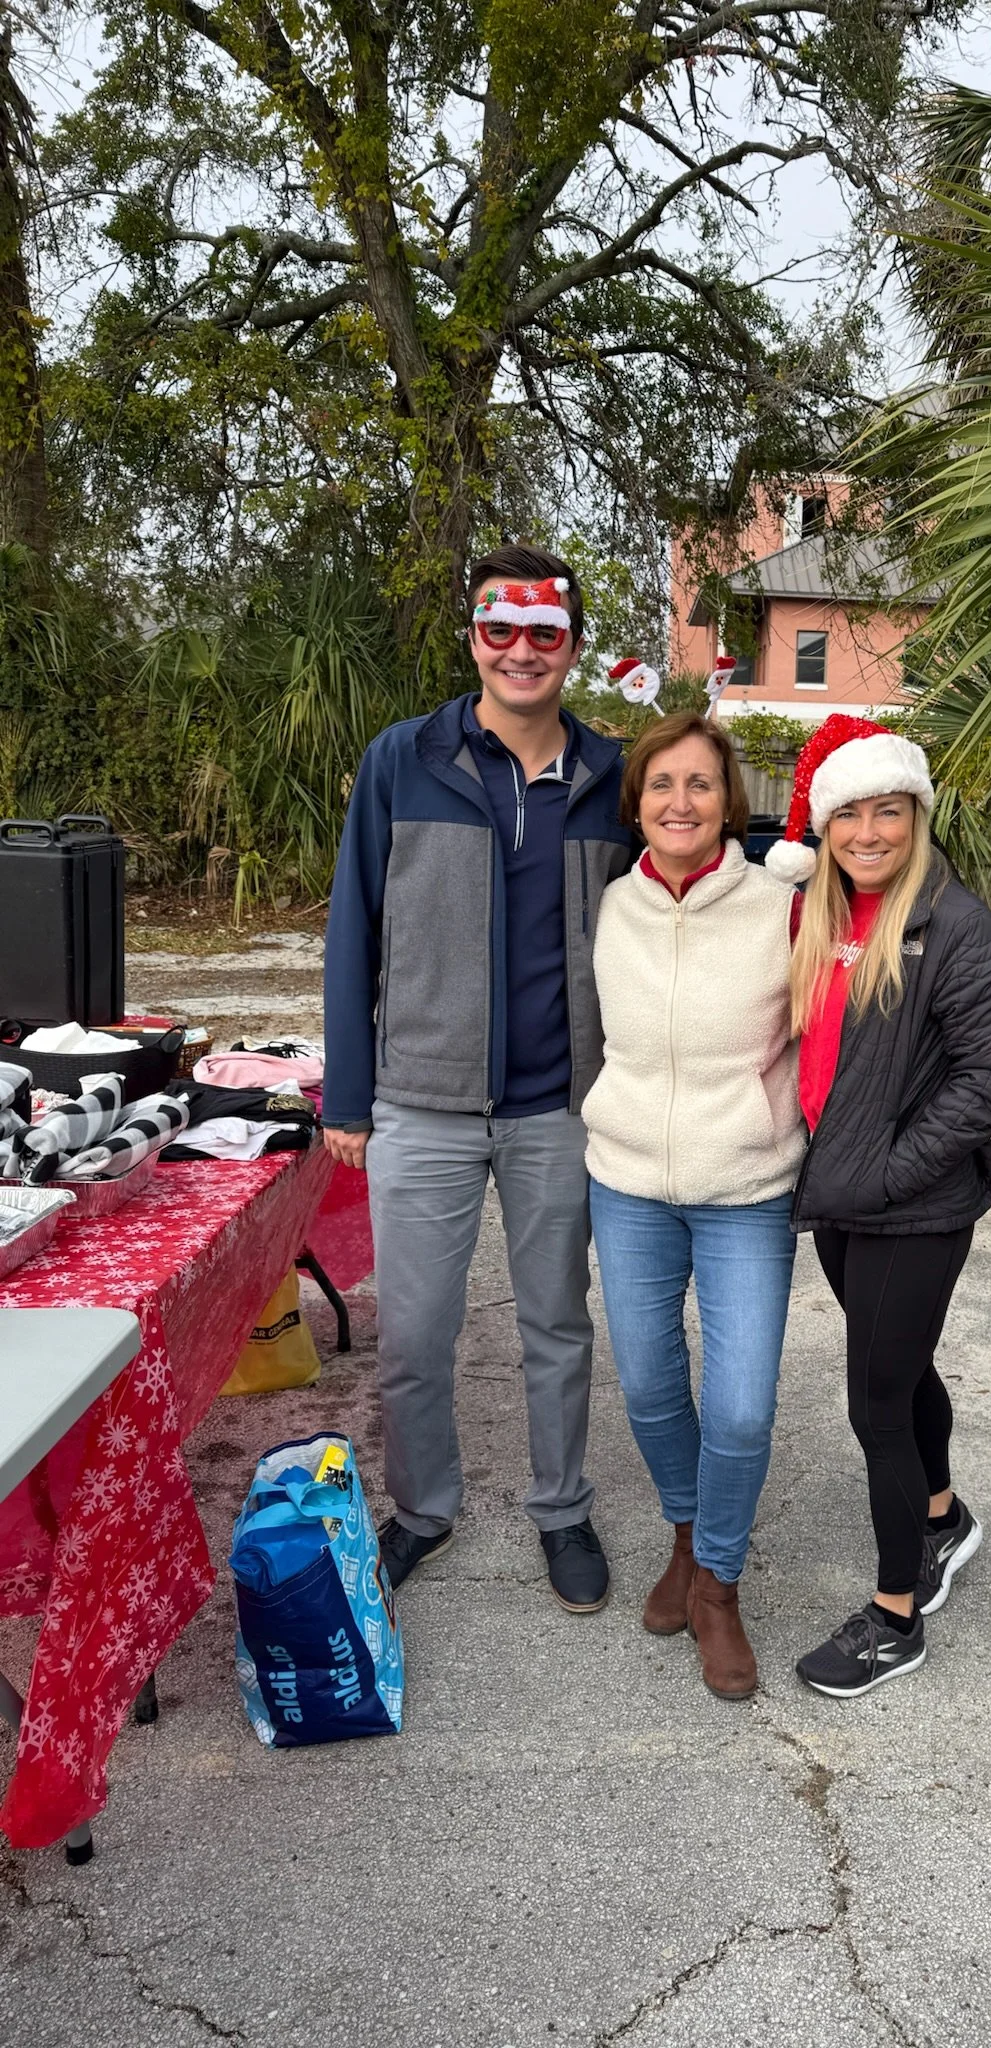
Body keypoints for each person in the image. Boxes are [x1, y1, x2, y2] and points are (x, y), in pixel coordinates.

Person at [321, 543, 633, 1609]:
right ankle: (421, 1509)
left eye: (544, 633)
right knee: (414, 1333)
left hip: (561, 1107)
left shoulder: (612, 777)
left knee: (557, 1320)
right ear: (474, 638)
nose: (520, 651)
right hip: (420, 1102)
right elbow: (352, 931)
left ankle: (561, 1506)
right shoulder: (403, 760)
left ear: (572, 649)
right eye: (500, 629)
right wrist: (350, 1097)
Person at [764, 715, 991, 1696]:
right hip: (842, 1198)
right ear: (825, 827)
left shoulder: (951, 924)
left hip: (909, 1206)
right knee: (905, 1367)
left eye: (889, 811)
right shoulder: (821, 918)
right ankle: (942, 1516)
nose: (869, 831)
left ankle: (894, 1616)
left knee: (876, 1403)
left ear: (917, 816)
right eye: (850, 815)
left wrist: (885, 1170)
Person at [582, 712, 801, 1699]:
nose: (680, 801)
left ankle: (718, 1582)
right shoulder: (611, 905)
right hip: (626, 1180)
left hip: (746, 1187)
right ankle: (686, 1533)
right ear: (637, 800)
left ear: (729, 802)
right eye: (661, 783)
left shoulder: (780, 907)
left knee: (744, 1408)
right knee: (650, 1385)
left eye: (701, 784)